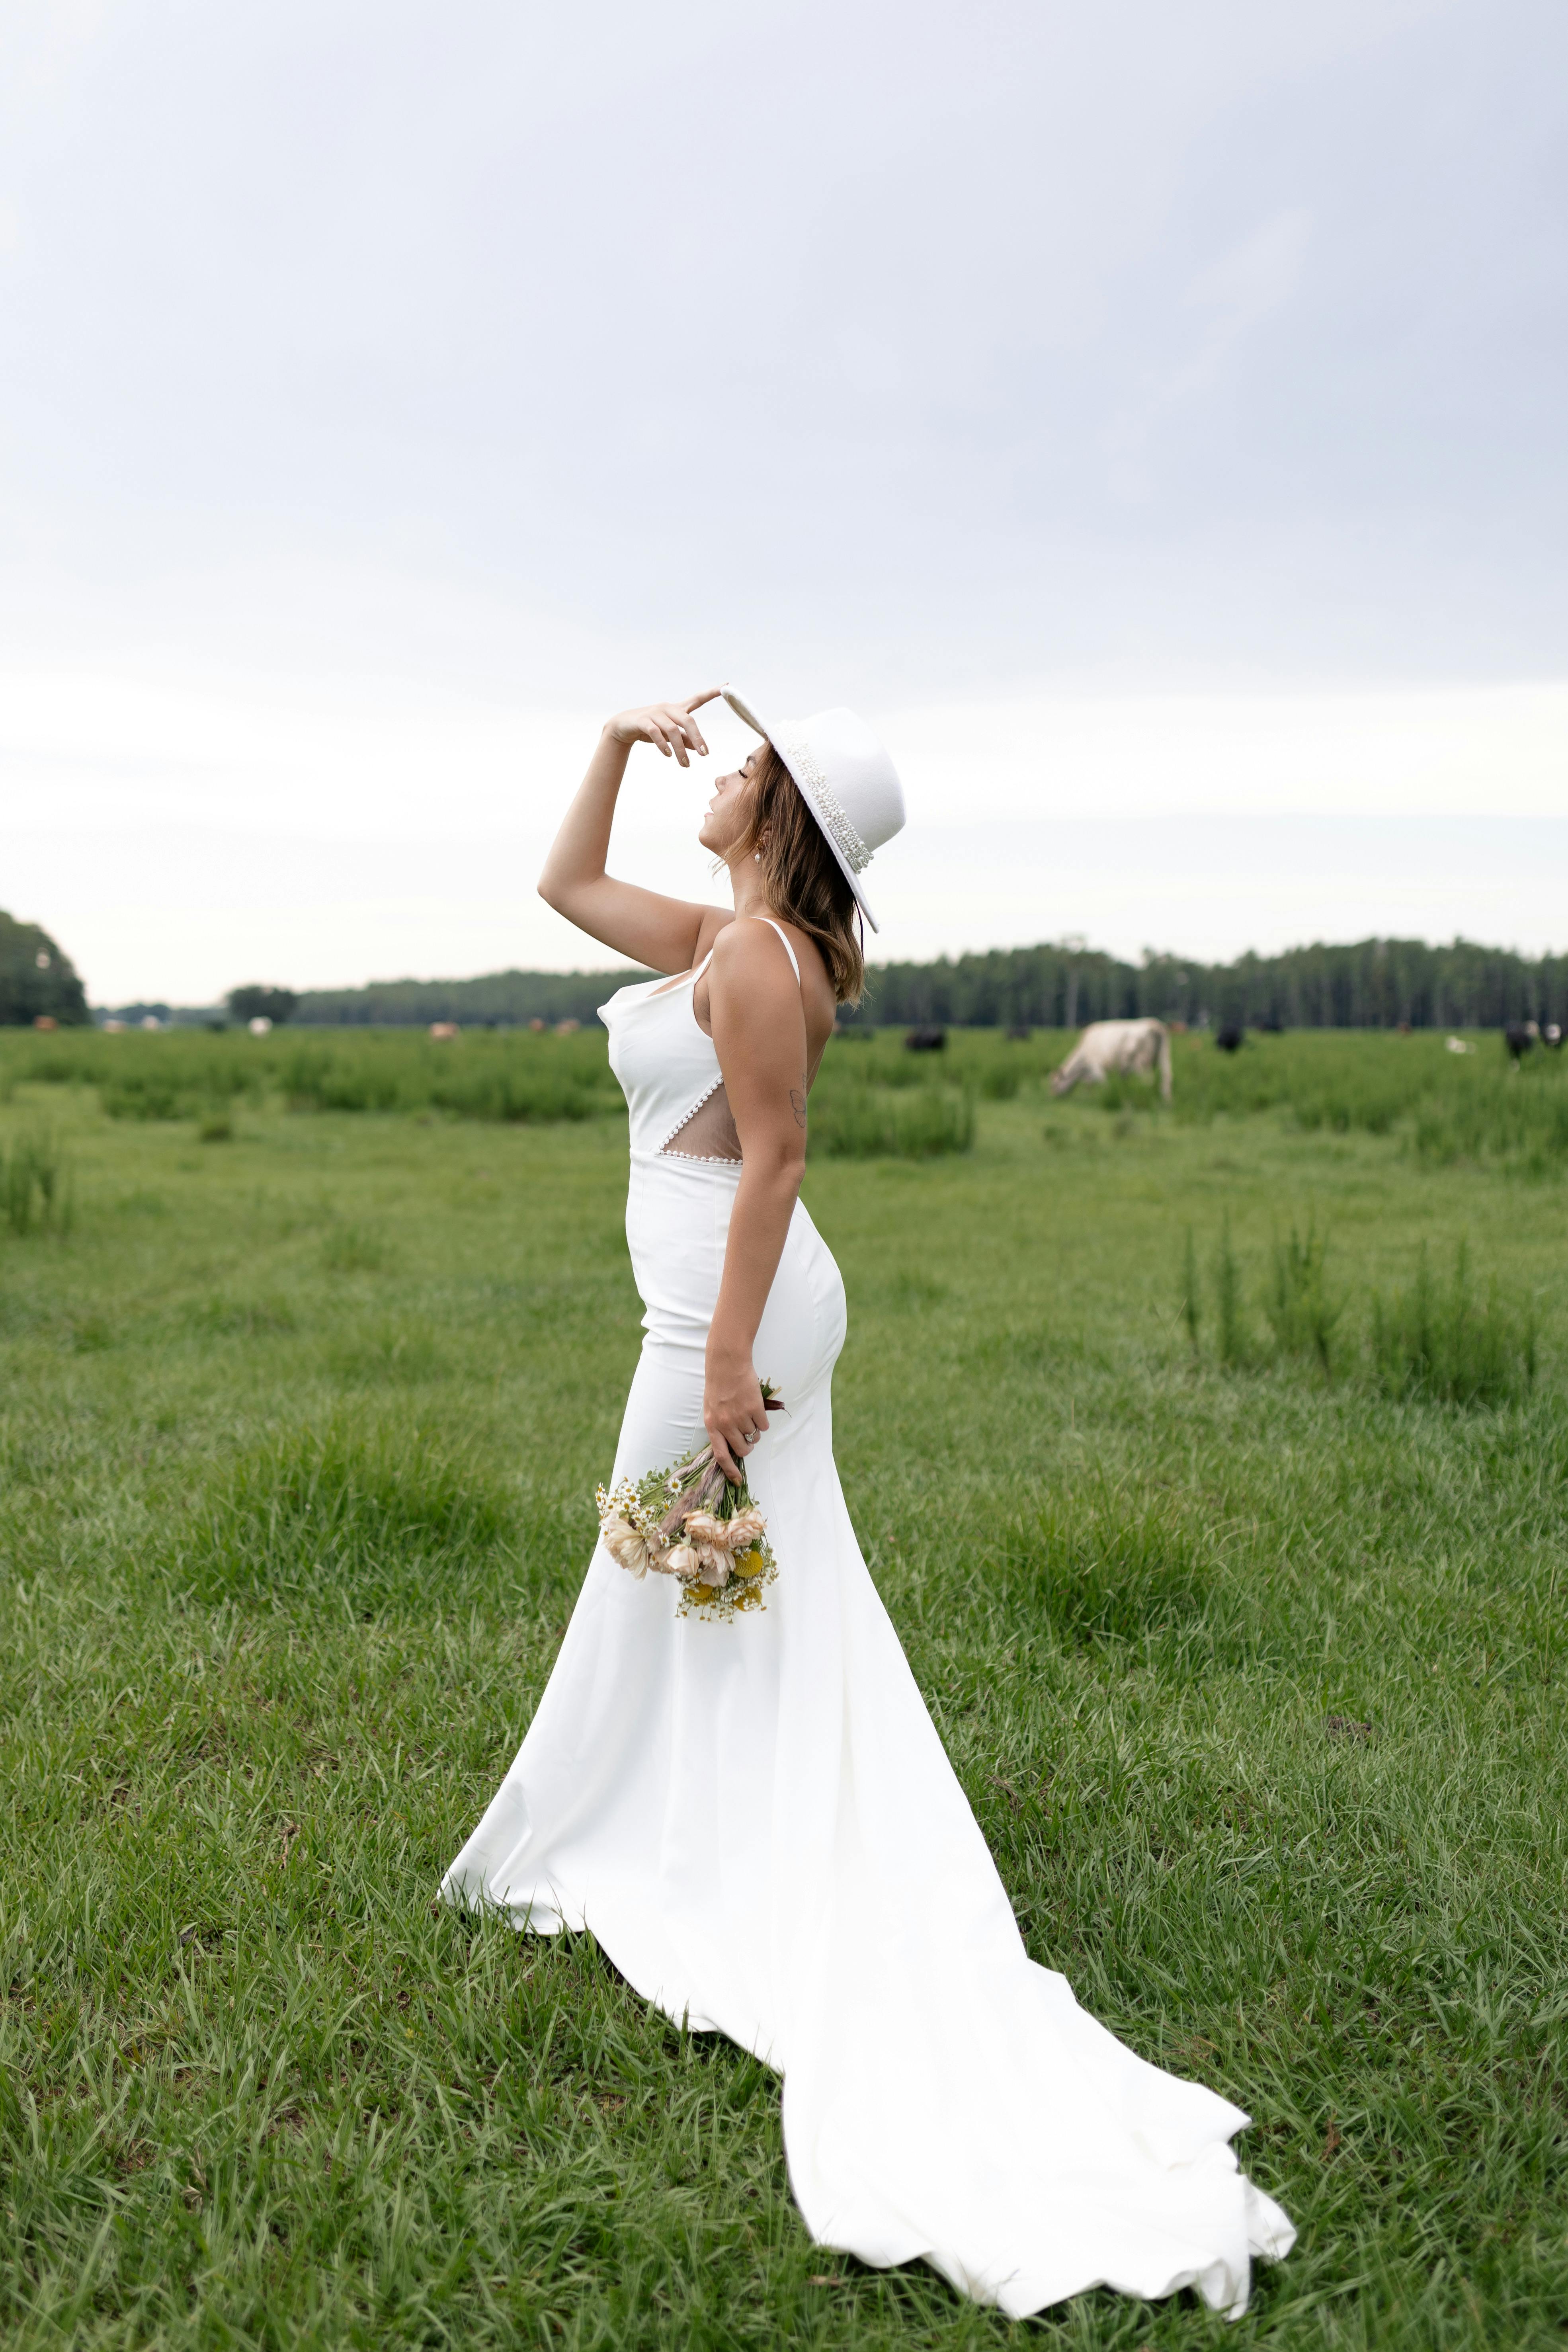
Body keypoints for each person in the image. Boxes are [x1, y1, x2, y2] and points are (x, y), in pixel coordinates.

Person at [442, 686, 1294, 2319]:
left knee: (672, 1564)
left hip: (724, 1313)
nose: (726, 770)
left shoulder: (760, 964)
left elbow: (772, 1160)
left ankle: (645, 1836)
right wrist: (618, 744)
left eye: (746, 768)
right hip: (709, 1303)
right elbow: (563, 889)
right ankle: (672, 1821)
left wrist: (726, 1365)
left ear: (785, 824)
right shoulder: (731, 933)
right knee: (701, 1582)